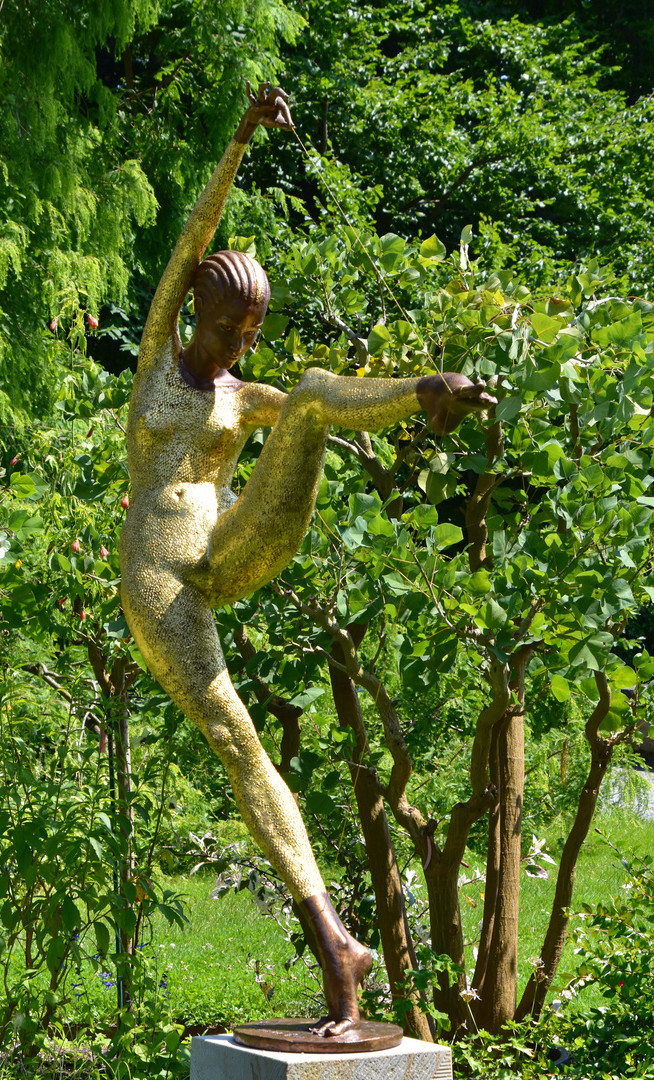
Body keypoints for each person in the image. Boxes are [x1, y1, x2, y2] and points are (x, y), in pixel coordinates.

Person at [119, 83, 496, 1036]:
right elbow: (192, 235)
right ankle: (336, 941)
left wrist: (411, 398)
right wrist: (239, 136)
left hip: (224, 547)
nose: (238, 347)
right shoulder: (159, 361)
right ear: (194, 316)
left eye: (249, 337)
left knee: (318, 395)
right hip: (159, 577)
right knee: (241, 745)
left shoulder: (246, 398)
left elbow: (324, 409)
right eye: (226, 330)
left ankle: (429, 390)